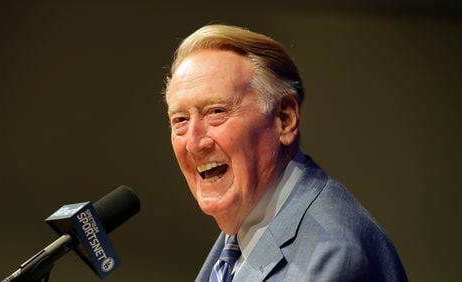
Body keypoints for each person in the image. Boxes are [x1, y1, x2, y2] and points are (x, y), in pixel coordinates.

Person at [164, 24, 407, 281]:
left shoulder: (334, 257)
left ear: (284, 119)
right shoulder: (242, 232)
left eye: (216, 112)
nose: (193, 143)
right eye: (180, 119)